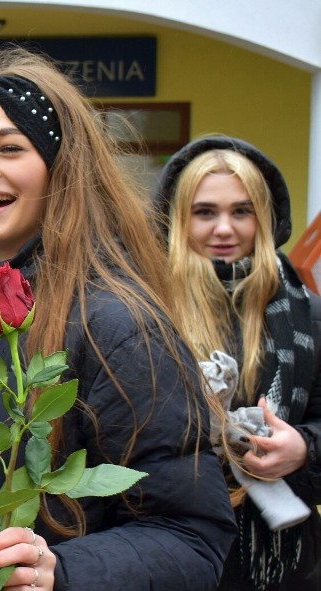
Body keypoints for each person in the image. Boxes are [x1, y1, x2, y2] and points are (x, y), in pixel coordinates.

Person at [0, 47, 237, 590]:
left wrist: (62, 572)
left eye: (9, 148)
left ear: (62, 169)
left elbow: (191, 534)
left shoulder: (120, 325)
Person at [154, 135, 321, 591]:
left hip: (283, 561)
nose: (224, 228)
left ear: (263, 219)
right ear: (178, 219)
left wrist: (304, 449)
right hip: (168, 548)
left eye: (242, 211)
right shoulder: (145, 309)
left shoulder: (308, 313)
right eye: (205, 212)